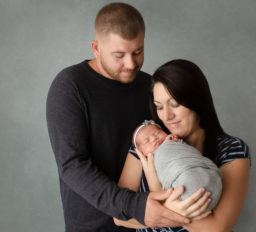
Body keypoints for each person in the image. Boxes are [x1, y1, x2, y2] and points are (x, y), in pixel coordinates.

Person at [46, 3, 207, 232]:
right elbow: (73, 165)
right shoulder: (70, 86)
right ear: (96, 48)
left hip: (151, 225)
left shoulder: (149, 86)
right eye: (119, 55)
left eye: (138, 52)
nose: (131, 64)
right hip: (95, 227)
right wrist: (135, 206)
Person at [115, 59, 251, 232]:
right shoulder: (147, 144)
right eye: (159, 106)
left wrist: (165, 208)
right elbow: (118, 215)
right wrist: (165, 213)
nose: (166, 116)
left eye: (174, 104)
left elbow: (217, 228)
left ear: (196, 100)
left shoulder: (232, 150)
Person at [132, 119, 222, 209]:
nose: (154, 138)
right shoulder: (148, 162)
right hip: (182, 190)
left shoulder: (173, 142)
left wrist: (175, 142)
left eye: (157, 133)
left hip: (204, 174)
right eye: (146, 141)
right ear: (141, 152)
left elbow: (186, 152)